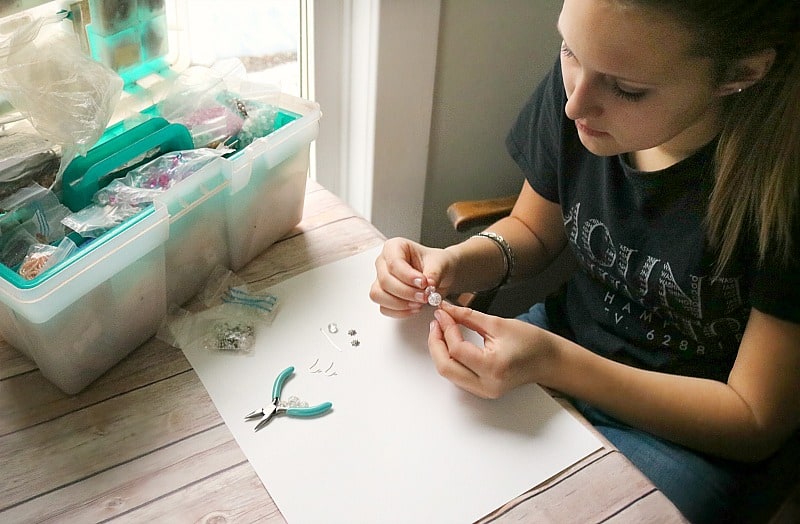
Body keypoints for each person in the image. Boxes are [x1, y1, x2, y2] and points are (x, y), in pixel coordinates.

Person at [369, 1, 800, 522]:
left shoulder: (782, 187)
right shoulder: (586, 83)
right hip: (553, 349)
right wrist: (453, 263)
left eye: (629, 89)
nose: (574, 105)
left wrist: (555, 362)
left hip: (690, 437)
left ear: (741, 72)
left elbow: (752, 423)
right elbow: (530, 230)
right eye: (569, 49)